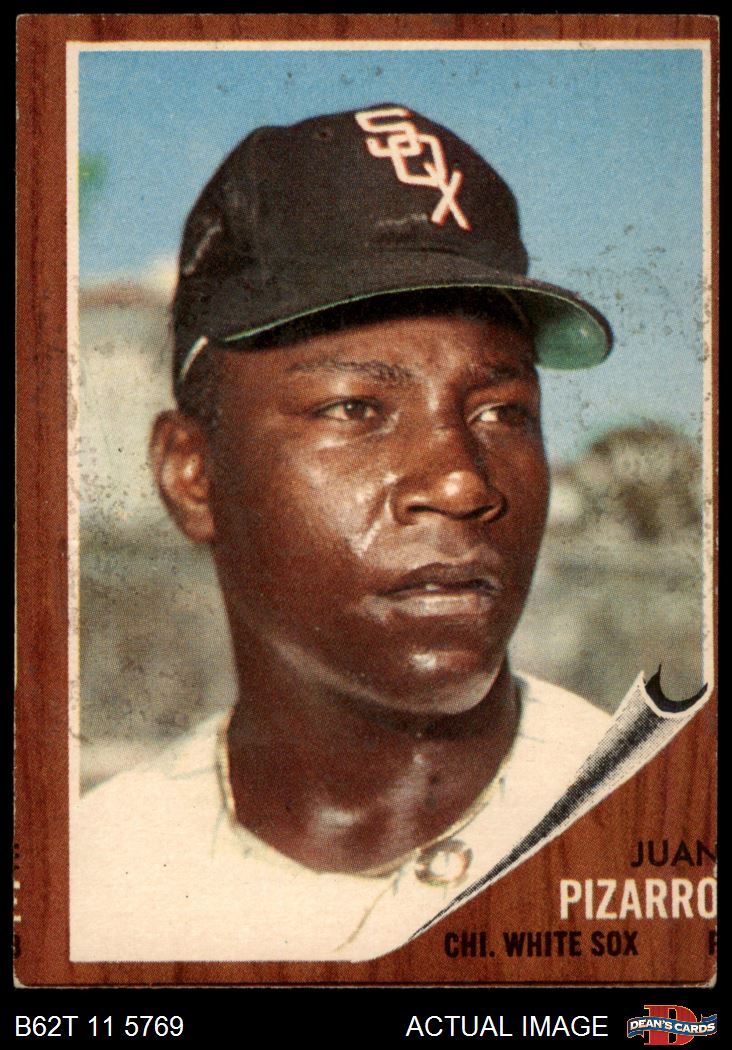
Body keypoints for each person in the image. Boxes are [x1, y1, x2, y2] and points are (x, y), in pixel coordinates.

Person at [71, 104, 617, 962]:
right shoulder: (91, 881)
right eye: (356, 408)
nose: (463, 482)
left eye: (503, 412)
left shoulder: (661, 820)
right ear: (191, 473)